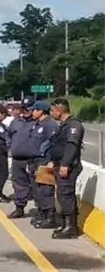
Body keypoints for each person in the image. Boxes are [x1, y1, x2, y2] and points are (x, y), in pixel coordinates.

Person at [46, 99, 85, 239]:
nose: (51, 113)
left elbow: (71, 145)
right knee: (62, 195)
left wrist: (65, 164)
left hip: (68, 167)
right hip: (59, 164)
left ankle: (71, 227)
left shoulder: (74, 125)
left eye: (52, 111)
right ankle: (65, 224)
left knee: (66, 195)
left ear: (59, 110)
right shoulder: (64, 125)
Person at [27, 101, 60, 229]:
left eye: (34, 110)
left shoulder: (50, 125)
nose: (32, 112)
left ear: (41, 111)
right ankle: (42, 213)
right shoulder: (37, 124)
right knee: (37, 189)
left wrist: (51, 160)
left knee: (45, 189)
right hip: (34, 161)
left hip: (44, 161)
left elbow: (54, 143)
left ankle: (50, 217)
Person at [6, 104, 37, 219]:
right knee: (18, 184)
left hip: (32, 160)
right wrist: (10, 147)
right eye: (24, 108)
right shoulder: (15, 122)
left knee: (36, 185)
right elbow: (8, 135)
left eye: (29, 108)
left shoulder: (37, 123)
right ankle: (19, 208)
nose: (26, 111)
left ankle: (41, 212)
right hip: (17, 159)